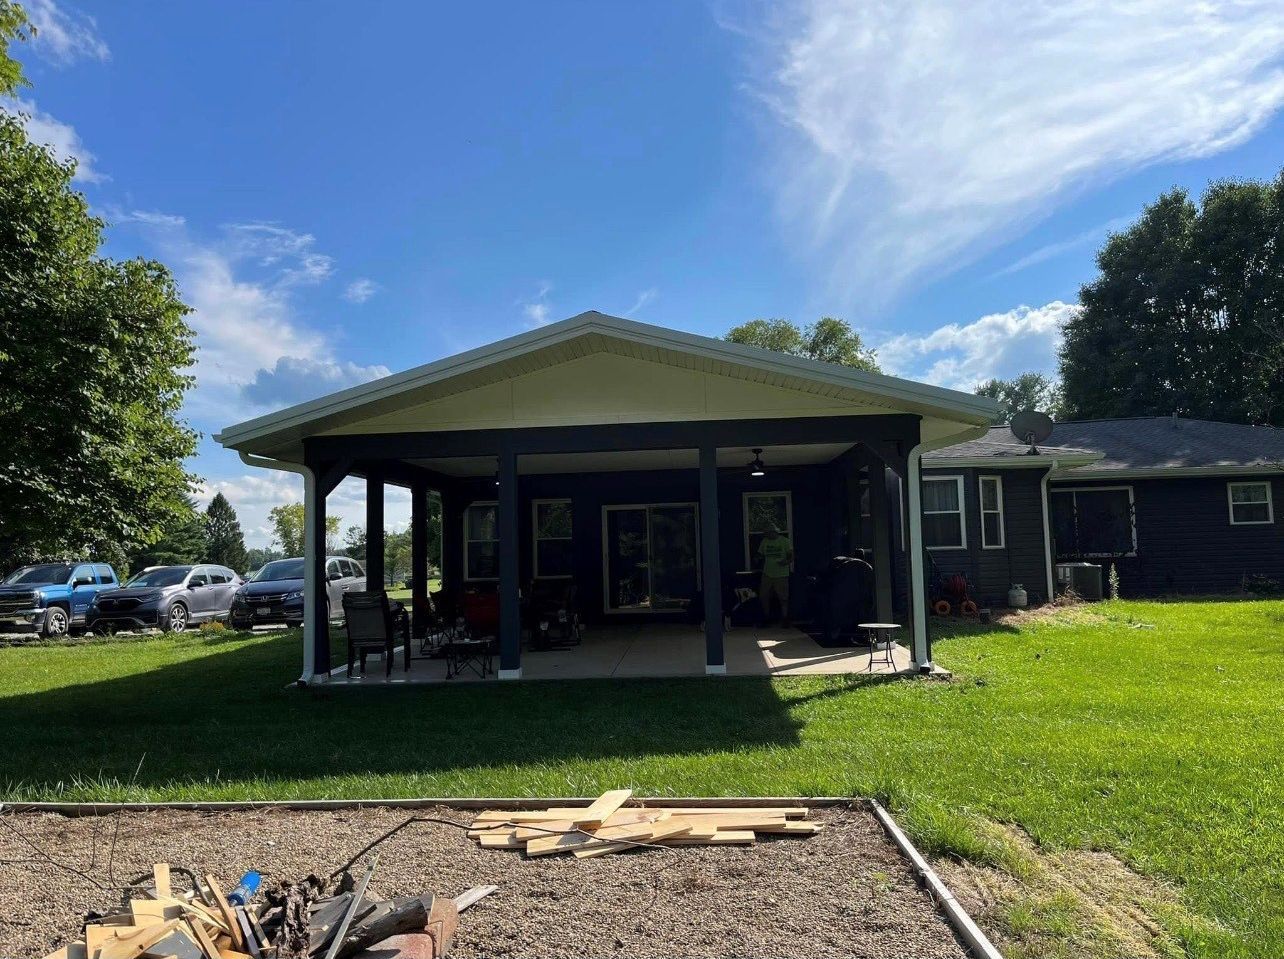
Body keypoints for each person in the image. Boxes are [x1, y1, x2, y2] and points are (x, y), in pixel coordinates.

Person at [757, 525, 794, 625]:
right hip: (767, 573)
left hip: (781, 574)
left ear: (774, 532)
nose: (767, 535)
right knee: (763, 596)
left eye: (768, 533)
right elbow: (760, 554)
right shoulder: (765, 541)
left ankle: (785, 618)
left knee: (783, 597)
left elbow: (791, 557)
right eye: (766, 534)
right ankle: (766, 617)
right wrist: (758, 559)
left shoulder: (785, 541)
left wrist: (785, 562)